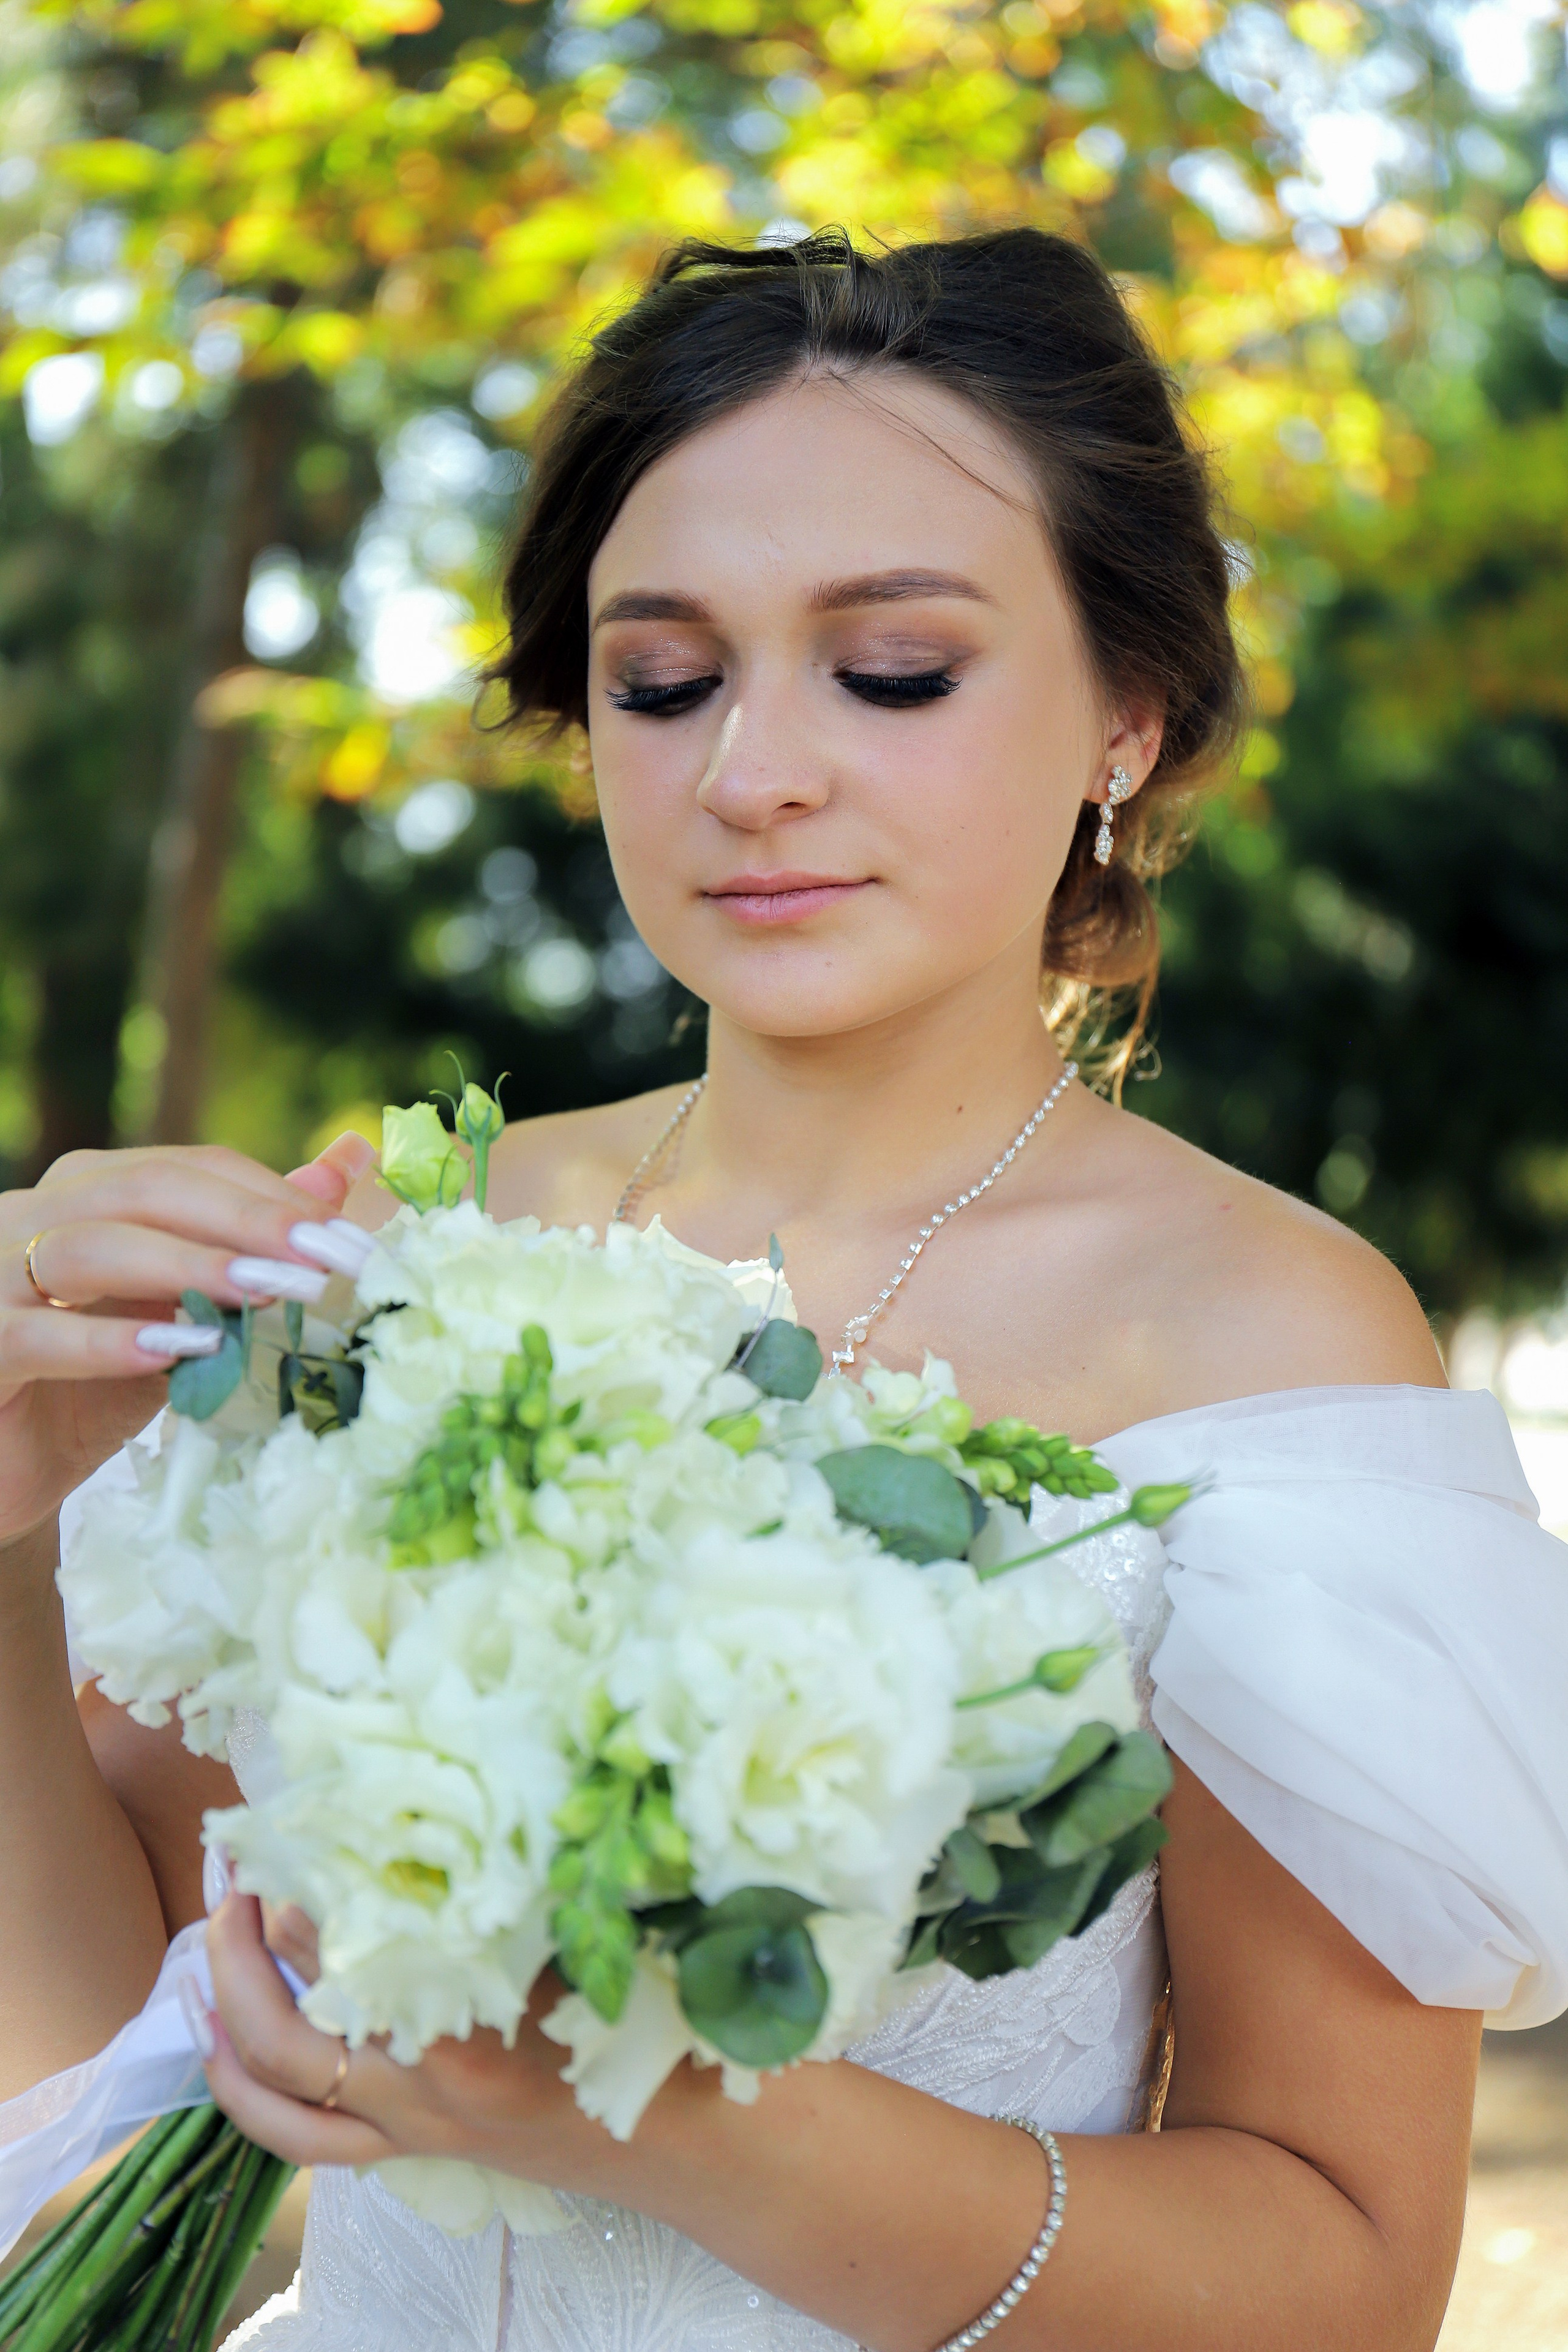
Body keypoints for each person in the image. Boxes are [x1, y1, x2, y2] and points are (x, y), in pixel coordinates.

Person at [1, 228, 1565, 2352]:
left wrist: (677, 2119)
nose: (752, 773)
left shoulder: (1275, 1345)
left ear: (1132, 708)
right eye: (662, 680)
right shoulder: (393, 1256)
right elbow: (119, 2044)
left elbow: (1348, 2275)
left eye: (892, 670)